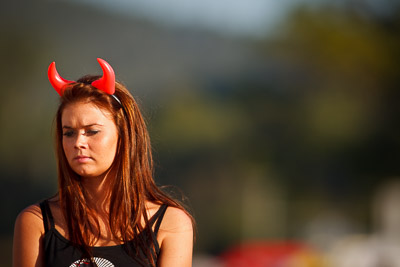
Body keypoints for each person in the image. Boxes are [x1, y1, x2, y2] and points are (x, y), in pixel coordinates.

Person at [13, 58, 194, 267]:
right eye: (69, 133)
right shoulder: (37, 222)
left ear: (124, 135)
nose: (78, 142)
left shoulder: (170, 223)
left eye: (92, 131)